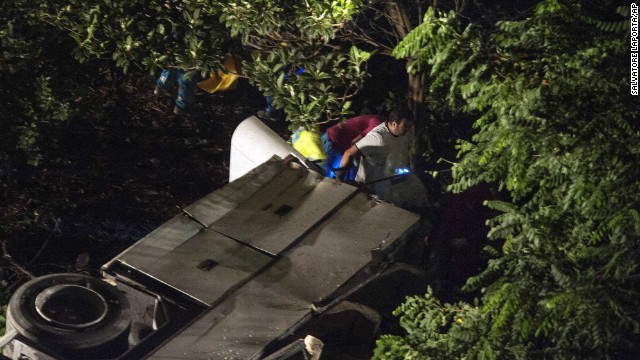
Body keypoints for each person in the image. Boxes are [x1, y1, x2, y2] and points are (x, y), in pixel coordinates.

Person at [338, 107, 426, 208]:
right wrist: (339, 180)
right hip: (374, 181)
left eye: (410, 126)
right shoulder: (377, 138)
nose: (408, 130)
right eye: (405, 126)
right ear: (394, 124)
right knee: (394, 201)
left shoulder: (404, 134)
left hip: (396, 174)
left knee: (418, 189)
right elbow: (349, 153)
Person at [321, 114, 383, 179]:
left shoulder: (380, 123)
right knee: (322, 177)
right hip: (334, 141)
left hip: (341, 146)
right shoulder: (378, 124)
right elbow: (355, 142)